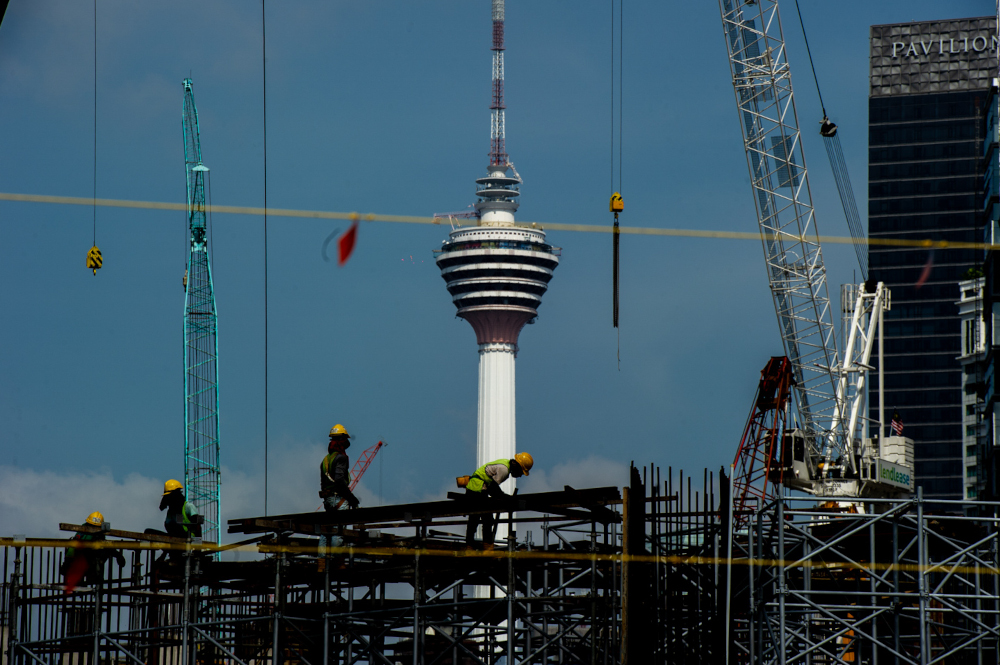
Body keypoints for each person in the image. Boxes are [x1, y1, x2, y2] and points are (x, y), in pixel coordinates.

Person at [465, 452, 534, 550]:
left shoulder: (505, 464)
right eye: (521, 472)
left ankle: (470, 545)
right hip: (478, 488)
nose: (520, 475)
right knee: (486, 519)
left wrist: (502, 496)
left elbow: (493, 489)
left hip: (475, 487)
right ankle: (486, 547)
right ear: (516, 465)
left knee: (475, 519)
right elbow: (493, 488)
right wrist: (506, 498)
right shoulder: (504, 470)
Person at [62, 511, 125, 589]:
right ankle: (93, 581)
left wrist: (118, 555)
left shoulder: (86, 534)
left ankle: (94, 581)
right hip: (81, 566)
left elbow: (106, 546)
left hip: (86, 566)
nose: (95, 529)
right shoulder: (83, 535)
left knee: (101, 552)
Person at [320, 424, 361, 511]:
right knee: (340, 523)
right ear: (341, 439)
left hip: (328, 500)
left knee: (332, 524)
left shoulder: (325, 460)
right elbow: (339, 480)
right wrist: (351, 499)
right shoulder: (341, 458)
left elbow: (323, 484)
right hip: (339, 499)